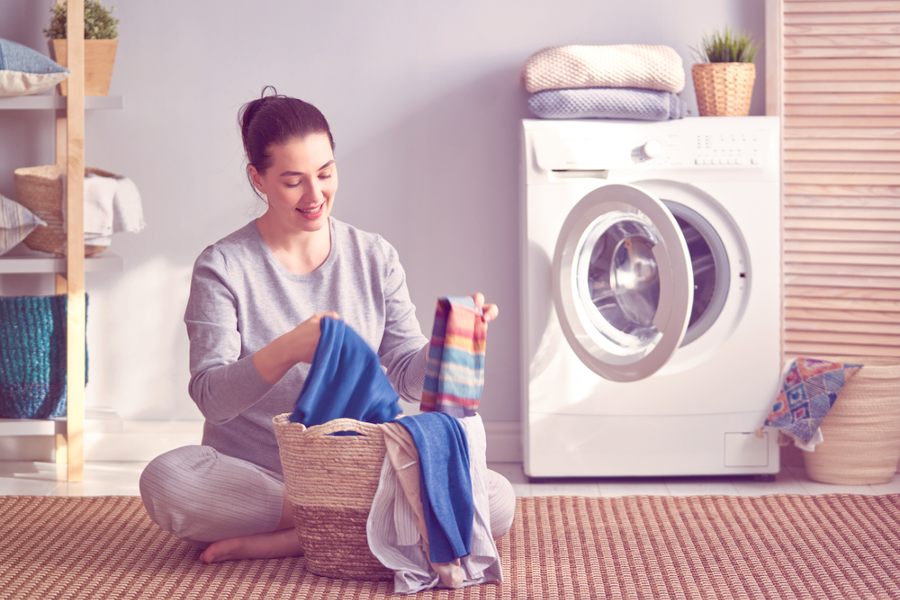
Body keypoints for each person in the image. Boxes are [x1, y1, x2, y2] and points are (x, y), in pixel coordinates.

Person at [139, 88, 516, 564]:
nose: (315, 195)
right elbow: (211, 397)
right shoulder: (223, 265)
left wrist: (447, 346)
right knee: (168, 482)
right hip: (262, 475)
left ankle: (298, 537)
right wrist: (290, 349)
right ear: (258, 178)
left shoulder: (374, 255)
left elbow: (405, 373)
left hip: (364, 471)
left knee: (498, 497)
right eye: (293, 180)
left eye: (326, 173)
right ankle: (368, 526)